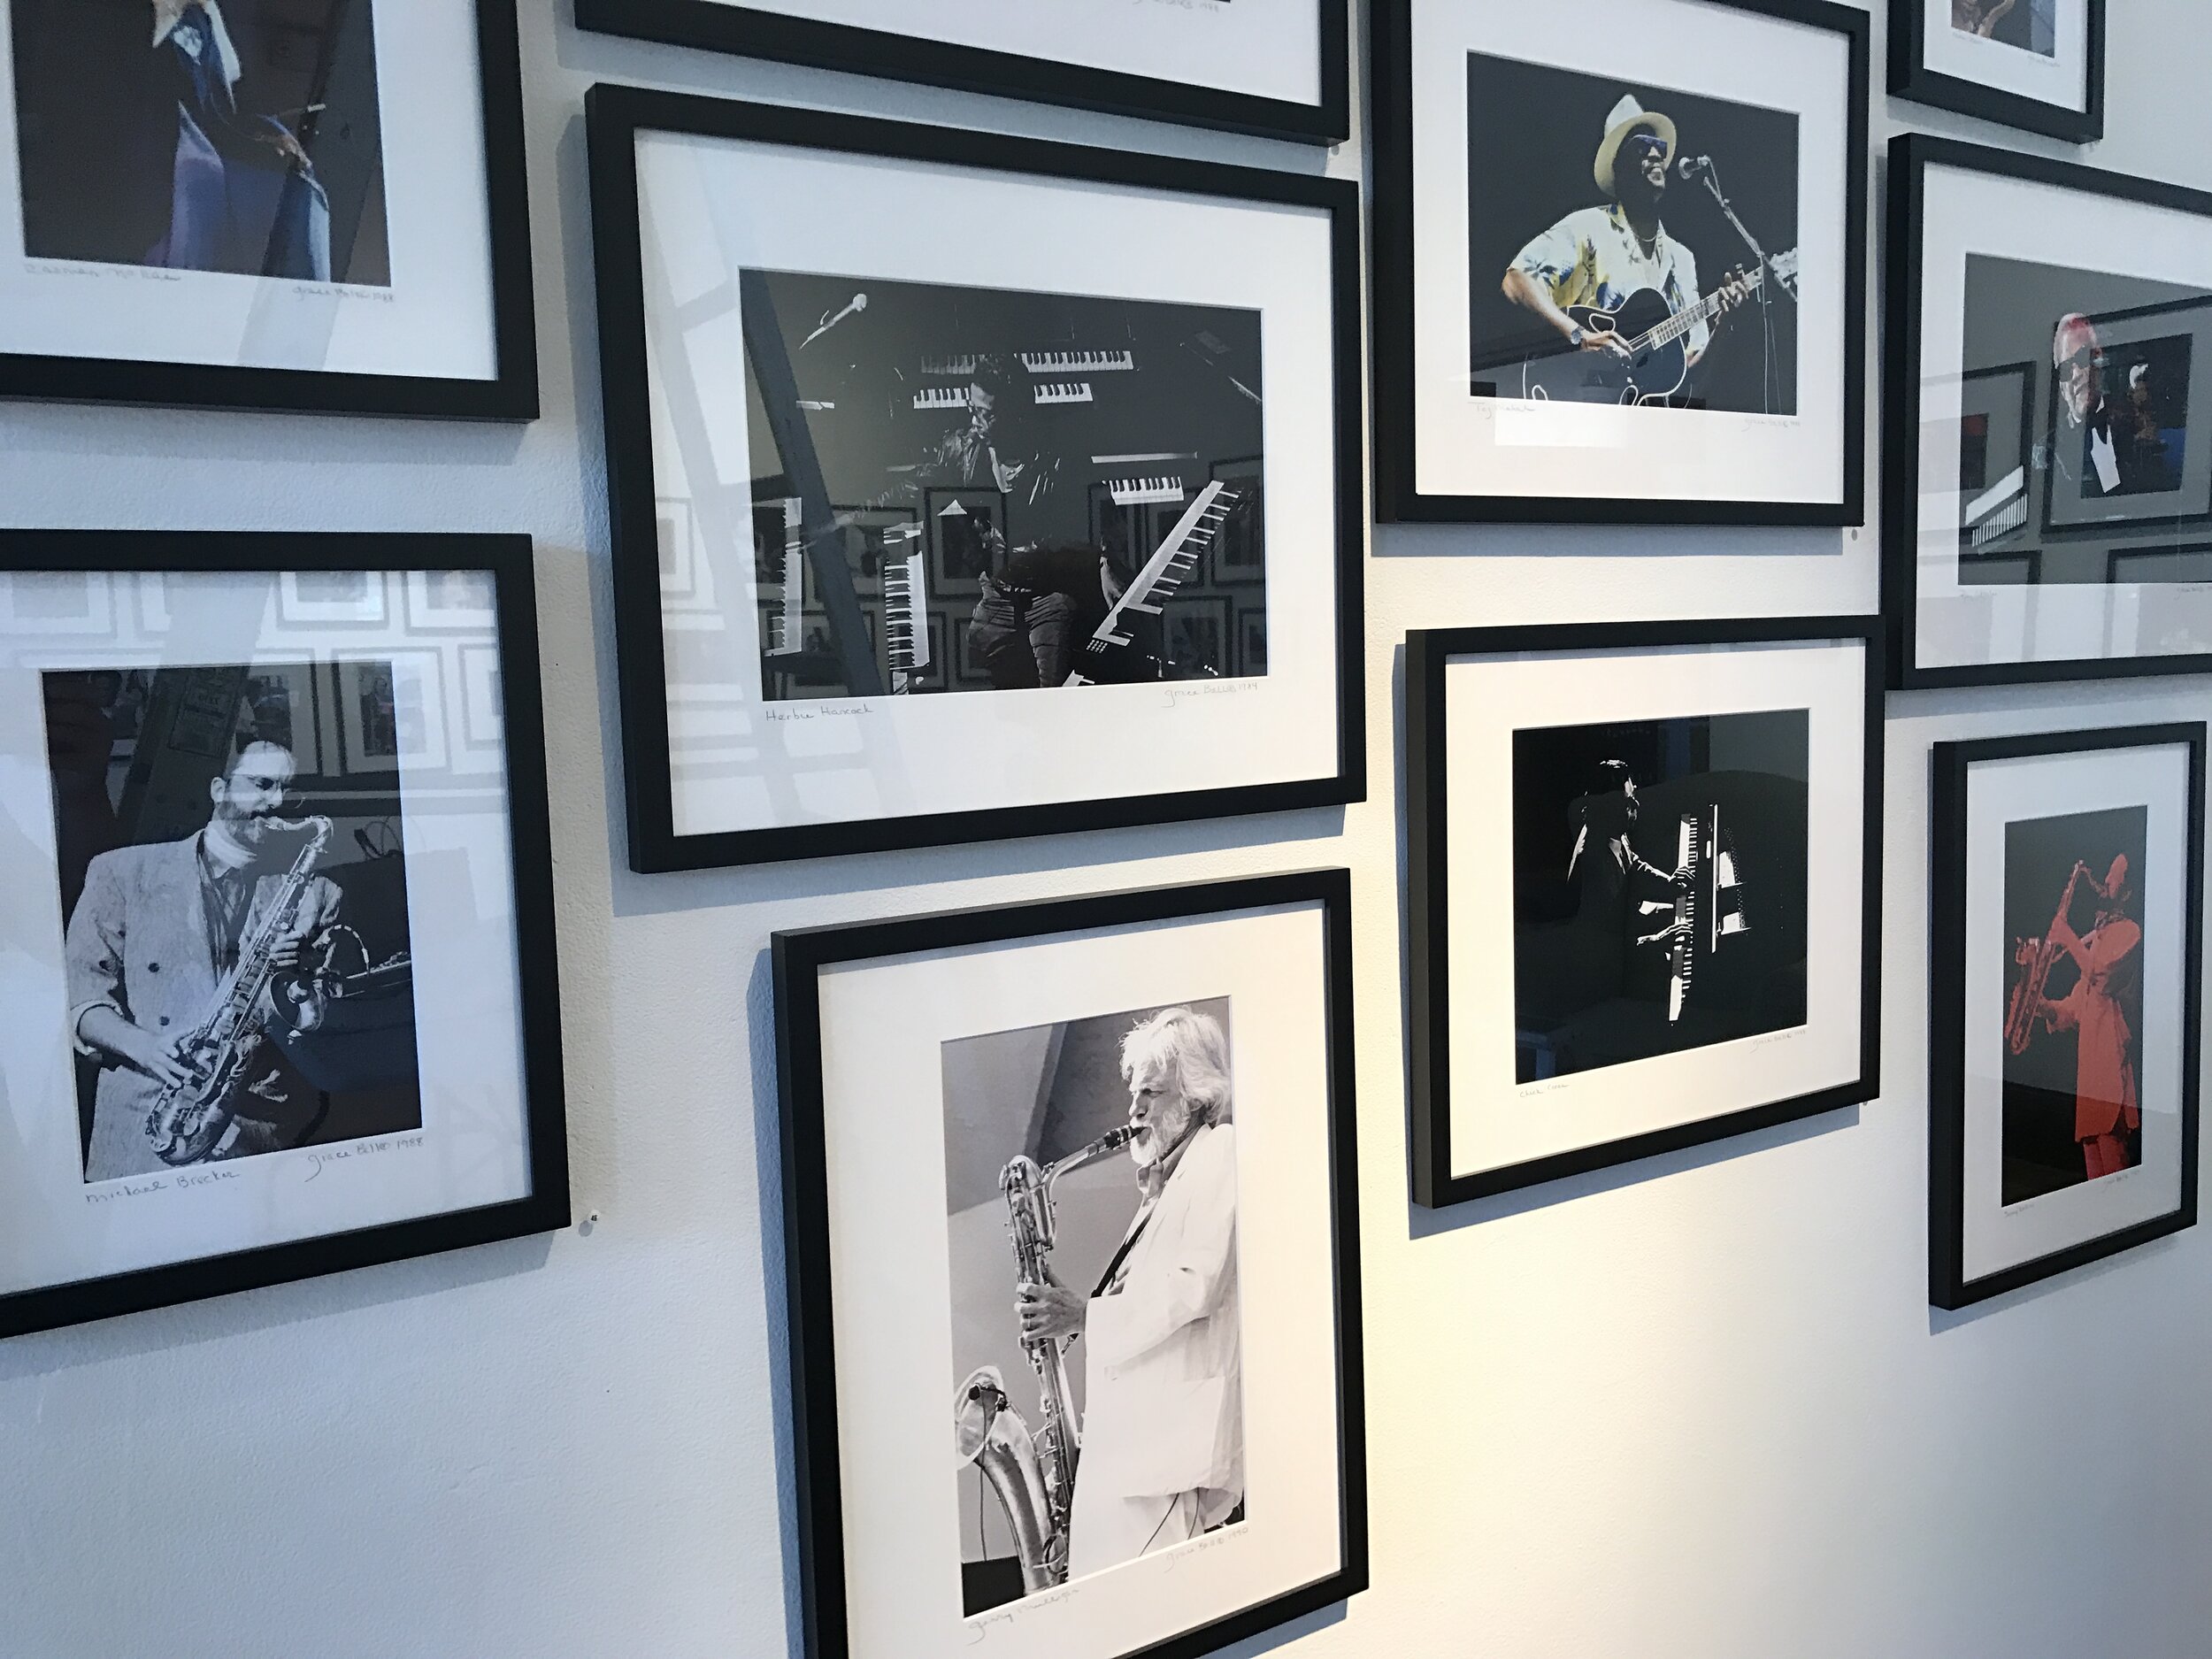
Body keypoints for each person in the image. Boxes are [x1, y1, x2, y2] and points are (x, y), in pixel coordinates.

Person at [1014, 1007, 1243, 1576]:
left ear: (1197, 1099)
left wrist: (1084, 1317)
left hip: (1164, 1461)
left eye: (1152, 1093)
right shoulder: (1163, 1186)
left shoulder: (1221, 1152)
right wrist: (1070, 1306)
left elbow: (1194, 1287)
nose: (1134, 1110)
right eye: (1132, 1094)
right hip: (1130, 1457)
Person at [65, 736, 344, 1180]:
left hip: (259, 1127)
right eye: (262, 784)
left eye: (288, 792)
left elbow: (321, 1023)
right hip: (147, 1121)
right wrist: (146, 1047)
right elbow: (80, 1000)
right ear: (219, 790)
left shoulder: (317, 893)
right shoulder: (120, 872)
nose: (276, 803)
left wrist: (296, 979)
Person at [1501, 95, 1752, 391]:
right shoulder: (1590, 226)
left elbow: (1688, 376)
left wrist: (1725, 323)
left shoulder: (1682, 259)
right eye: (1642, 147)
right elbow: (1516, 280)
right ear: (1619, 168)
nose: (1656, 154)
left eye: (1659, 147)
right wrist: (1580, 335)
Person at [2034, 855, 2144, 1181]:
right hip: (2090, 1075)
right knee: (2095, 1182)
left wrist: (2067, 937)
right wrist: (2041, 1005)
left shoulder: (2129, 932)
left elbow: (2102, 976)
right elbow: (2075, 1007)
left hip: (2111, 1070)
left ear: (2128, 890)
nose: (2105, 880)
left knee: (2115, 1182)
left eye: (2114, 875)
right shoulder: (2098, 938)